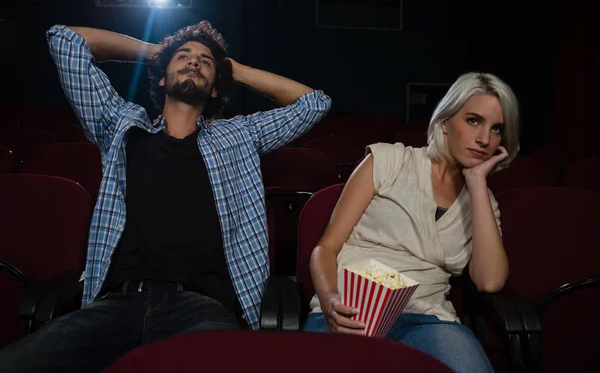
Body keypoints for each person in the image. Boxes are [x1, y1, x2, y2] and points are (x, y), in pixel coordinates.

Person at [0, 21, 331, 372]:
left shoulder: (238, 136)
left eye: (205, 61)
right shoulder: (121, 125)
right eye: (183, 57)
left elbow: (313, 103)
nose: (193, 61)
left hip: (201, 309)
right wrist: (157, 52)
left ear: (217, 89)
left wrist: (231, 68)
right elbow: (65, 41)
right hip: (114, 306)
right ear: (161, 77)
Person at [305, 72, 519, 373]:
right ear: (445, 122)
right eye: (473, 120)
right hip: (351, 308)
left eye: (497, 129)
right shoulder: (389, 160)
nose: (485, 139)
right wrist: (329, 303)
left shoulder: (483, 202)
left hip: (427, 318)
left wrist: (476, 182)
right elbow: (324, 248)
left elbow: (490, 281)